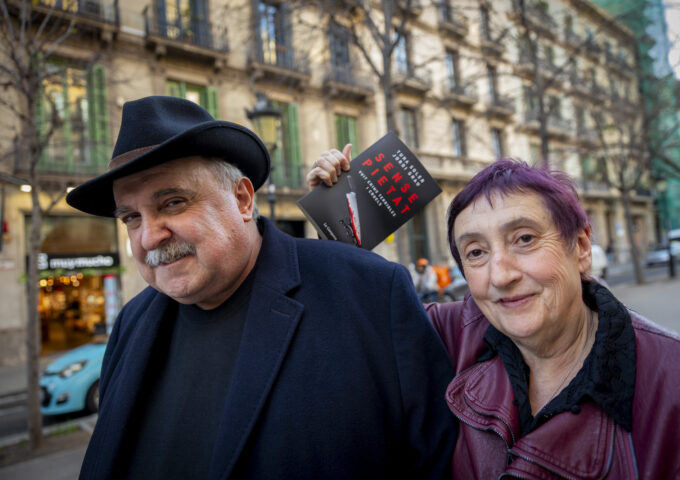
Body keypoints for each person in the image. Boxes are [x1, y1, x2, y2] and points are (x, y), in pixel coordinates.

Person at [65, 96, 457, 479]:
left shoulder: (371, 290)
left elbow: (438, 460)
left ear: (242, 199)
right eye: (131, 217)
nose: (149, 237)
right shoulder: (132, 322)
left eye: (172, 203)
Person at [309, 151, 680, 478]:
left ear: (582, 248)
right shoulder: (451, 334)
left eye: (524, 239)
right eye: (476, 253)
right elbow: (360, 324)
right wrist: (340, 218)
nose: (500, 275)